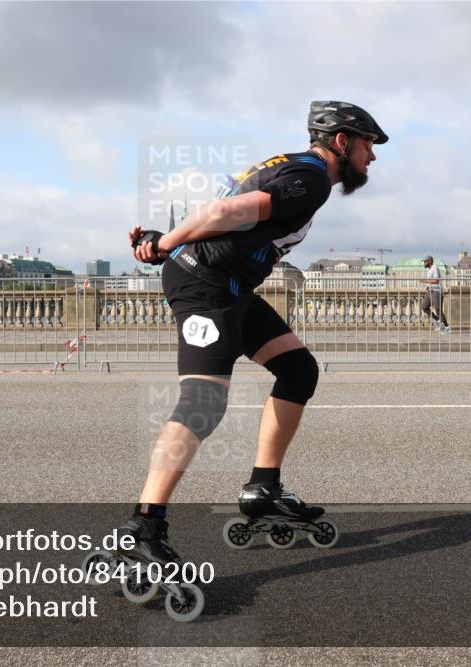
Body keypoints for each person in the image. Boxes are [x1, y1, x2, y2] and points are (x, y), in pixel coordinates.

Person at [120, 101, 386, 564]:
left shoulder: (292, 167)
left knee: (298, 370)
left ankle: (264, 486)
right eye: (368, 145)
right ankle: (144, 526)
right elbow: (226, 211)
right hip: (207, 286)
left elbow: (225, 213)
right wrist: (167, 243)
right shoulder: (312, 179)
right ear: (342, 142)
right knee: (203, 402)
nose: (372, 157)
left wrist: (171, 239)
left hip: (230, 285)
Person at [420, 255, 450, 333]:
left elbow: (436, 281)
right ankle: (438, 320)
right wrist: (427, 286)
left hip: (437, 291)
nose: (424, 263)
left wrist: (425, 281)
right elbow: (431, 281)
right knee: (424, 307)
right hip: (430, 291)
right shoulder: (429, 270)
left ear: (430, 261)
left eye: (425, 261)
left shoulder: (435, 268)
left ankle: (447, 327)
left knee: (438, 309)